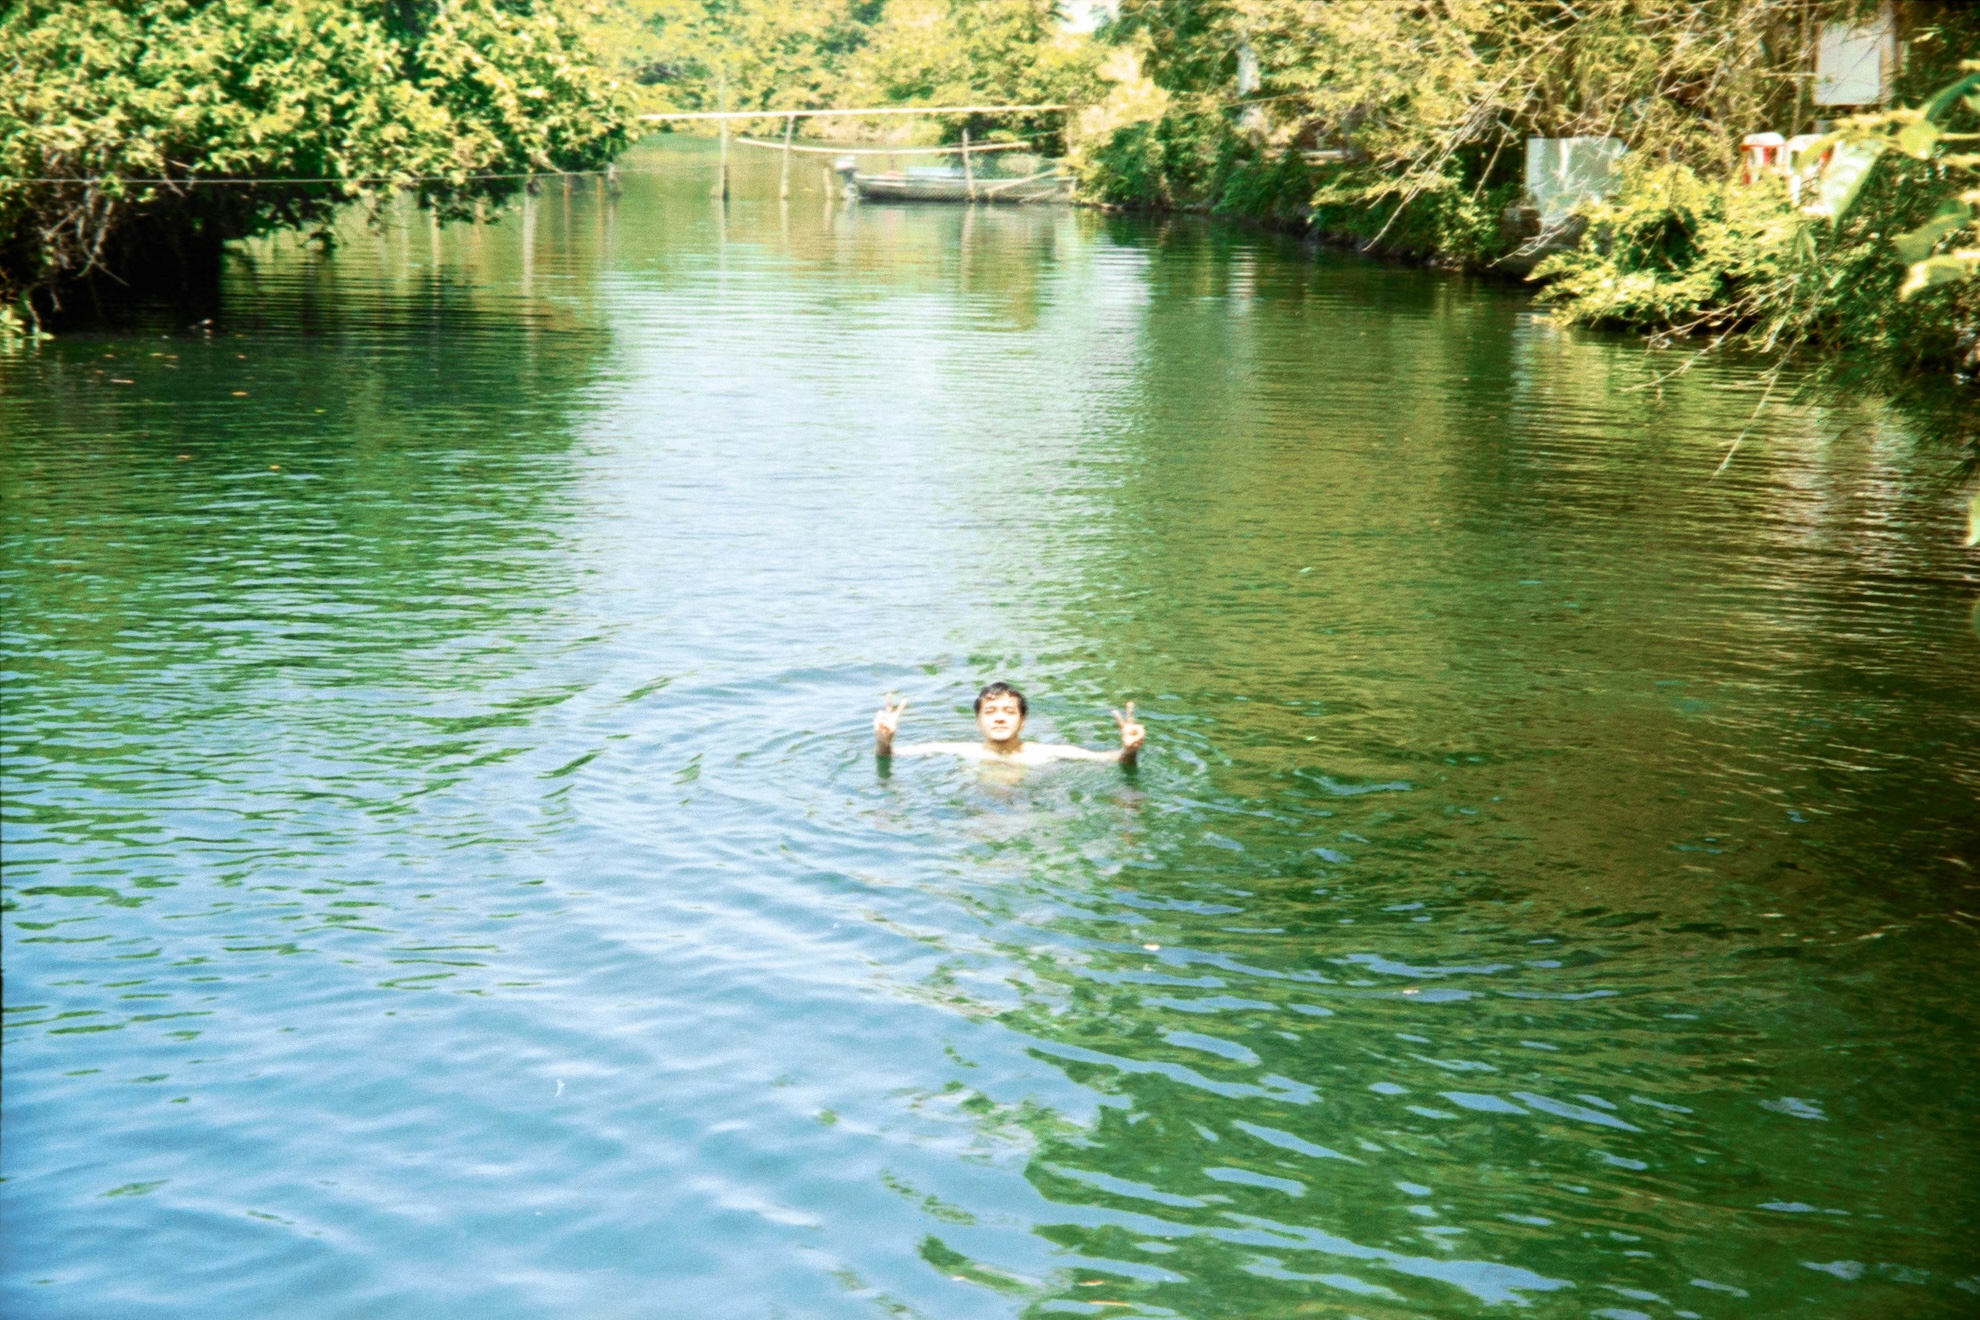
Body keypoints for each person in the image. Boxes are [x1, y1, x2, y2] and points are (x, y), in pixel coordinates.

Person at [874, 682, 1145, 765]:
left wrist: (1129, 751)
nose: (1000, 717)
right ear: (978, 723)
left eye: (1009, 711)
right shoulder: (960, 749)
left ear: (1023, 722)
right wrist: (884, 742)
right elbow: (893, 756)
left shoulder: (1045, 753)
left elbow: (1109, 759)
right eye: (990, 711)